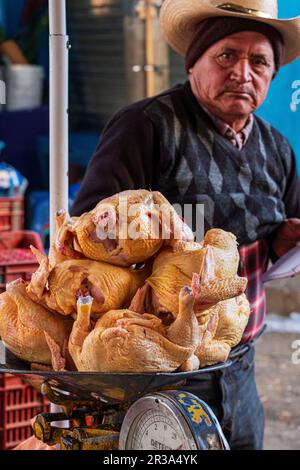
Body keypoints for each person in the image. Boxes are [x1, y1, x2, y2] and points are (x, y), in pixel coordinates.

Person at [71, 0, 300, 449]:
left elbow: (279, 234)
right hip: (156, 372)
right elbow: (88, 232)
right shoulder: (147, 126)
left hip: (239, 364)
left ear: (272, 75)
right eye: (226, 55)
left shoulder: (276, 147)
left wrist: (281, 240)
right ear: (193, 63)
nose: (242, 72)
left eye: (259, 61)